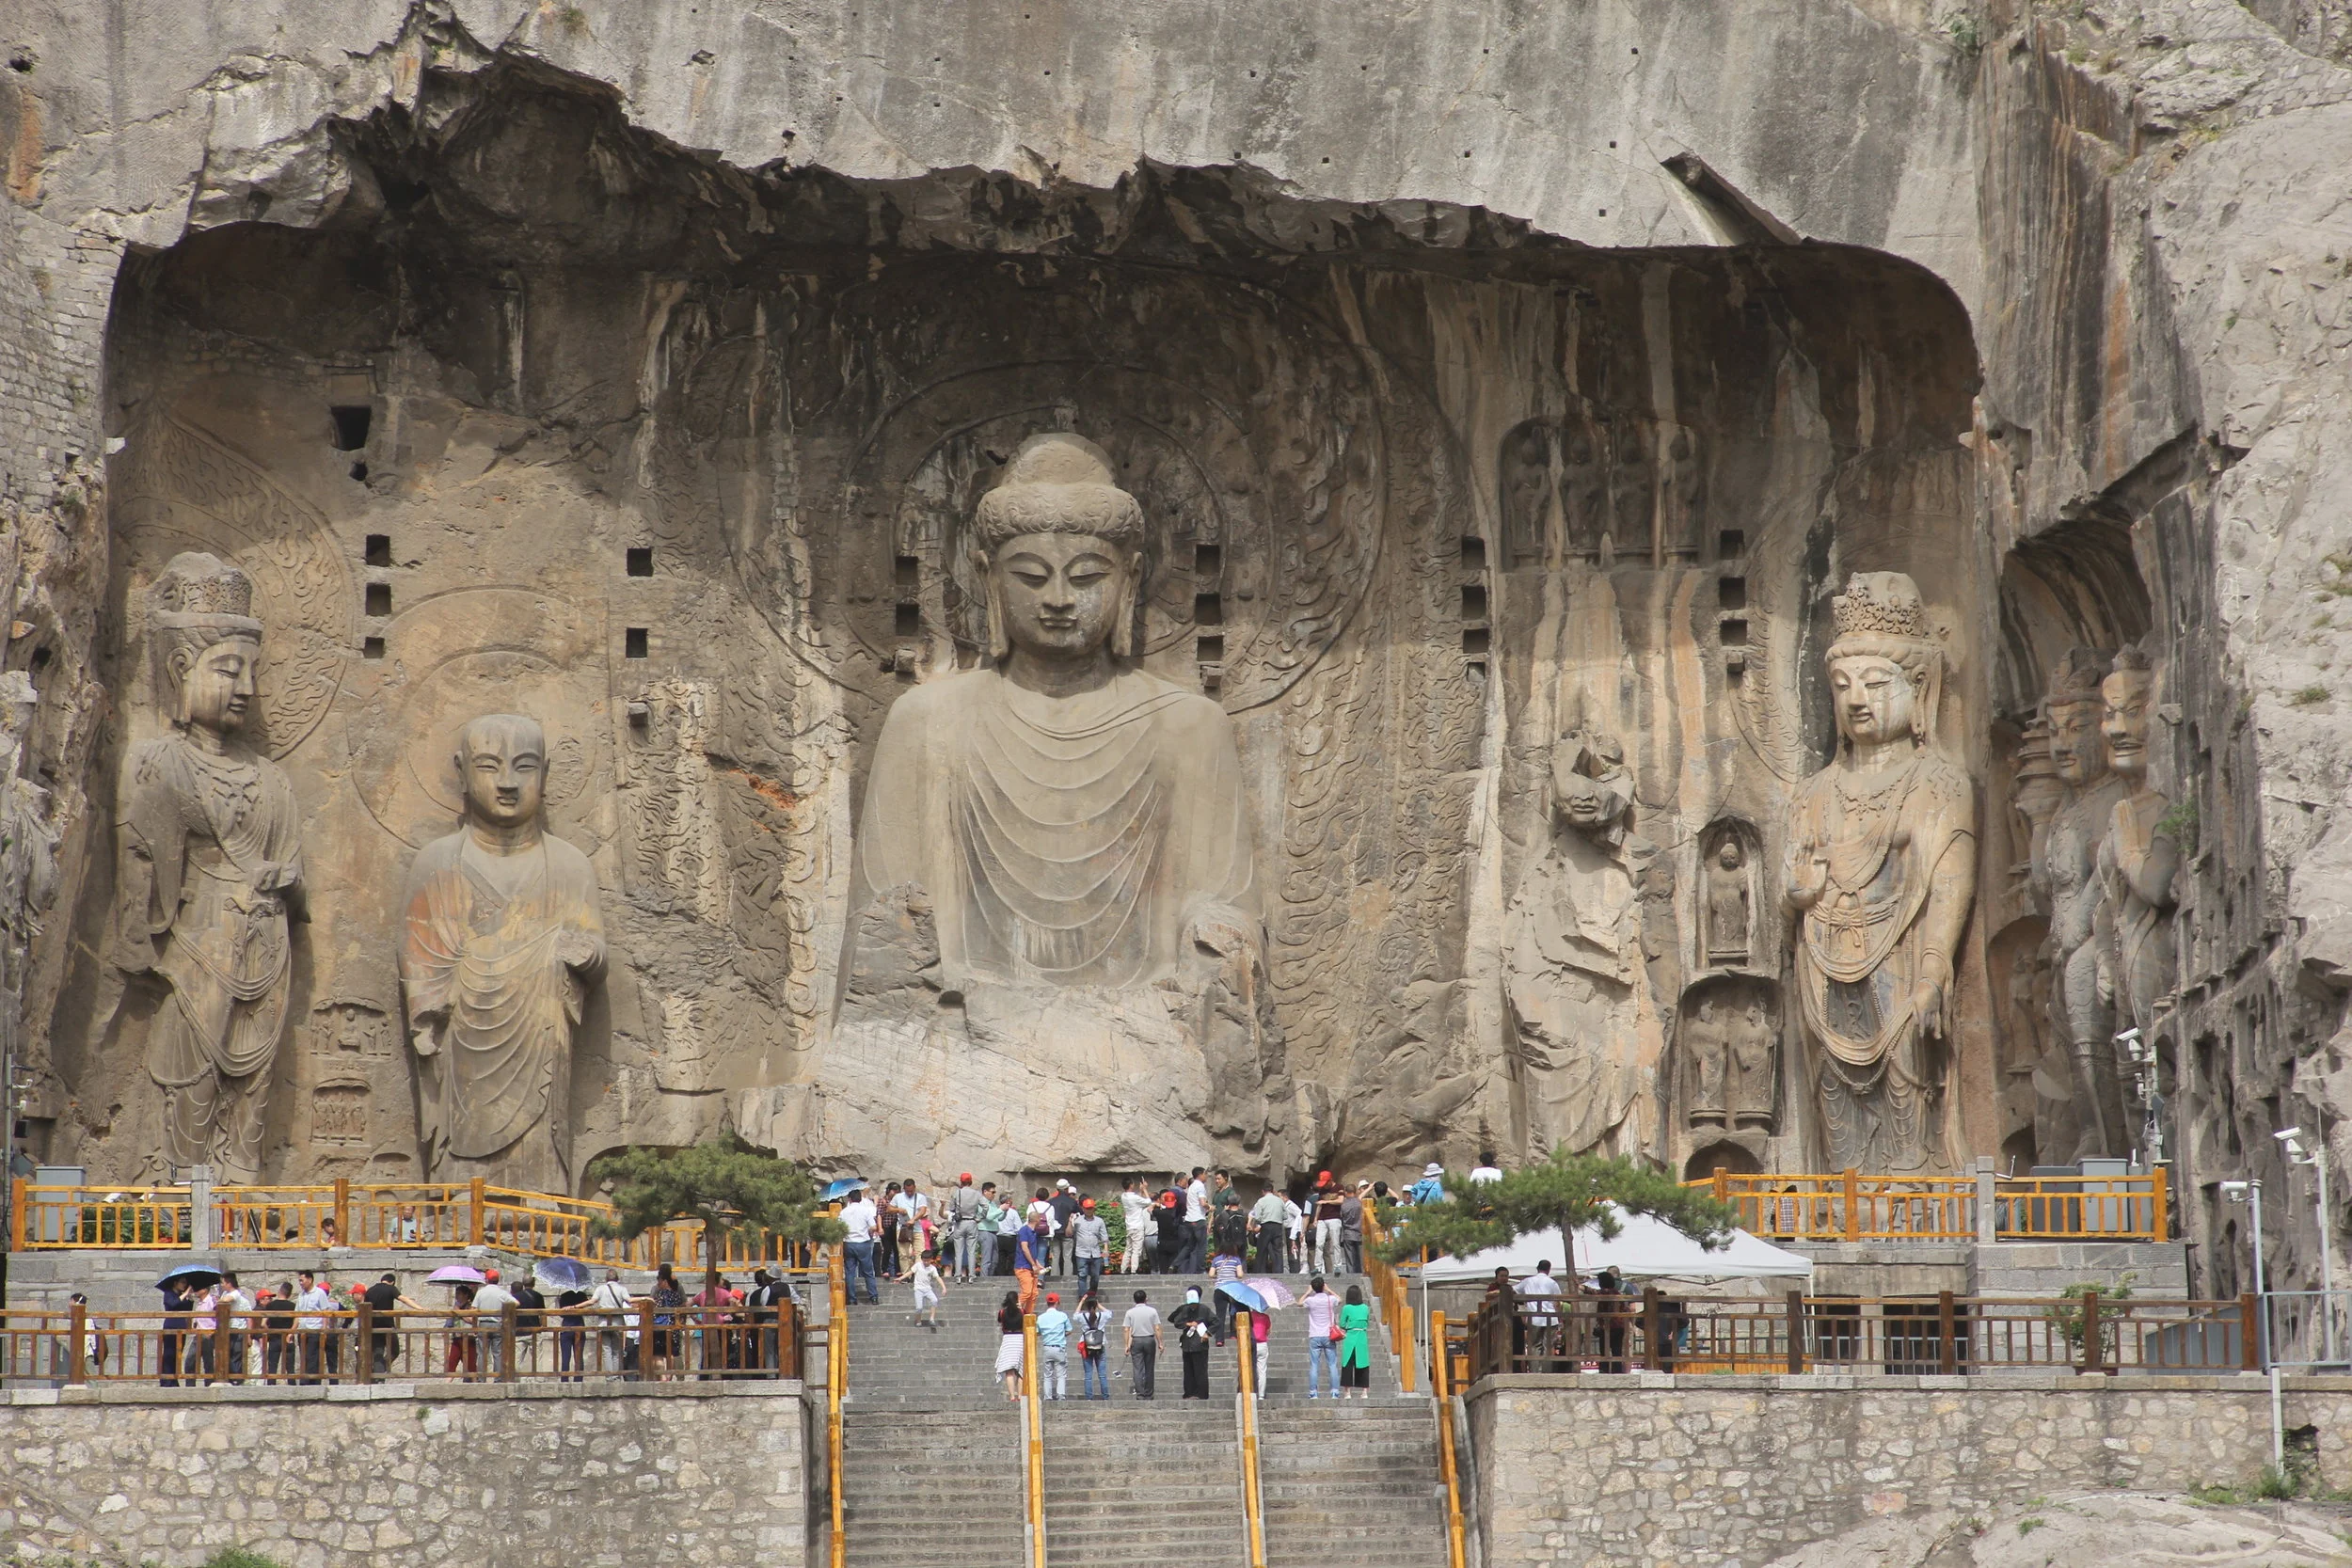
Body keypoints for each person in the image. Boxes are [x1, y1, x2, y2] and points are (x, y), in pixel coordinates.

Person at [362, 1272, 417, 1377]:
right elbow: (403, 1299)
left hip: (373, 1327)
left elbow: (364, 1307)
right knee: (394, 1351)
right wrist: (419, 1308)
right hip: (388, 1326)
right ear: (392, 1282)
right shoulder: (390, 1288)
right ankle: (381, 1371)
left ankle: (378, 1377)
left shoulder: (370, 1290)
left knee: (378, 1353)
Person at [1517, 1259, 1565, 1371]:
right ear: (1549, 1270)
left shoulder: (1527, 1281)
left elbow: (1514, 1290)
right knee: (1549, 1346)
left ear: (1537, 1269)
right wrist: (1559, 1318)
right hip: (1550, 1318)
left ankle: (1534, 1371)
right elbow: (1557, 1302)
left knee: (1534, 1345)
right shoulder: (1552, 1283)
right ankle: (1547, 1371)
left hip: (1534, 1318)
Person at [1169, 1286, 1215, 1401]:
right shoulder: (1184, 1309)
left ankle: (1201, 1394)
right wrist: (1187, 1324)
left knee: (1200, 1370)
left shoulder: (1204, 1309)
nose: (1193, 1306)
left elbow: (1216, 1322)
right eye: (1191, 1304)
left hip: (1200, 1344)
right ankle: (1189, 1393)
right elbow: (1175, 1320)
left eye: (1195, 1304)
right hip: (1187, 1343)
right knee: (1188, 1370)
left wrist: (1207, 1333)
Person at [839, 1187, 882, 1305]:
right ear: (860, 1199)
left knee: (850, 1272)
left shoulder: (844, 1212)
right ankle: (873, 1296)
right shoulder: (865, 1211)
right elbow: (873, 1227)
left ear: (850, 1199)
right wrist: (869, 1232)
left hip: (849, 1243)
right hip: (863, 1243)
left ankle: (852, 1298)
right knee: (868, 1271)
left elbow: (839, 1227)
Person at [473, 1268, 518, 1378]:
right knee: (497, 1353)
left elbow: (473, 1309)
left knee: (482, 1354)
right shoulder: (502, 1293)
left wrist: (474, 1326)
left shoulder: (481, 1292)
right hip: (497, 1324)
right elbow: (516, 1303)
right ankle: (498, 1378)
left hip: (483, 1324)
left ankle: (481, 1378)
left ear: (486, 1280)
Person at [1302, 1275, 1342, 1399]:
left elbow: (1299, 1302)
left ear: (1313, 1288)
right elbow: (1340, 1299)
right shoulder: (1330, 1299)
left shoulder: (1310, 1300)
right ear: (1323, 1286)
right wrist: (1329, 1290)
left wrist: (1308, 1292)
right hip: (1329, 1335)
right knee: (1332, 1364)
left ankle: (1313, 1392)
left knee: (1314, 1365)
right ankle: (1335, 1391)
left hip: (1315, 1335)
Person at [295, 1270, 337, 1384]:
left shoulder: (319, 1293)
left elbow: (325, 1312)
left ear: (309, 1280)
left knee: (313, 1357)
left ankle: (312, 1382)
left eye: (302, 1280)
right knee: (304, 1357)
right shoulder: (301, 1295)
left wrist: (324, 1330)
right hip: (302, 1330)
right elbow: (297, 1314)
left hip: (314, 1330)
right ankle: (305, 1381)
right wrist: (292, 1331)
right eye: (299, 1281)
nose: (300, 1283)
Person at [590, 1268, 633, 1378]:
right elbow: (630, 1300)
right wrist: (645, 1298)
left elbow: (592, 1301)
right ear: (617, 1278)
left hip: (604, 1322)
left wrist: (575, 1306)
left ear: (606, 1278)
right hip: (617, 1322)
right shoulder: (622, 1289)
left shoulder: (600, 1289)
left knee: (607, 1350)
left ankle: (609, 1376)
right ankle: (616, 1375)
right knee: (617, 1351)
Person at [649, 1263, 687, 1380]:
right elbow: (684, 1304)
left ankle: (663, 1377)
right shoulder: (677, 1291)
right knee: (673, 1353)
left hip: (660, 1327)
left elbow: (653, 1308)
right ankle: (673, 1377)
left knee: (658, 1354)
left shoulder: (658, 1292)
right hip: (674, 1326)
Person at [1122, 1289, 1161, 1400]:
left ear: (1134, 1300)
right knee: (1149, 1368)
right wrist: (1160, 1343)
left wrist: (1126, 1345)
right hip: (1149, 1339)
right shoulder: (1152, 1311)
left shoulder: (1130, 1312)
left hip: (1136, 1340)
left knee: (1137, 1368)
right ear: (1145, 1299)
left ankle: (1140, 1394)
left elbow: (1126, 1329)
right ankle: (1149, 1393)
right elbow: (1157, 1328)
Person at [1338, 1284, 1373, 1399]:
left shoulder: (1347, 1308)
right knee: (1363, 1363)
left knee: (1347, 1363)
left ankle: (1347, 1392)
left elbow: (1342, 1324)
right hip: (1362, 1337)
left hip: (1350, 1337)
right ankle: (1364, 1392)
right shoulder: (1365, 1308)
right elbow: (1367, 1322)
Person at [1035, 1291, 1072, 1400]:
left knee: (1047, 1374)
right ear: (1057, 1302)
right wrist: (1060, 1334)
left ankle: (1048, 1396)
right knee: (1061, 1374)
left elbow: (1037, 1332)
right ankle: (1061, 1395)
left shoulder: (1041, 1317)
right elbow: (1069, 1330)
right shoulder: (1062, 1316)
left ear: (1047, 1303)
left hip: (1047, 1347)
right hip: (1059, 1347)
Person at [1076, 1291, 1112, 1401]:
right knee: (1102, 1374)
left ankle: (1089, 1397)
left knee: (1088, 1374)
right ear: (1096, 1305)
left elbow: (1075, 1316)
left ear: (1086, 1306)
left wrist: (1081, 1301)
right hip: (1100, 1345)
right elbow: (1109, 1313)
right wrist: (1098, 1304)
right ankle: (1105, 1396)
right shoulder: (1102, 1316)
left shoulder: (1082, 1316)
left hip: (1087, 1346)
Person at [949, 1173, 985, 1283]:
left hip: (960, 1223)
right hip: (972, 1222)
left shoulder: (957, 1193)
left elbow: (951, 1208)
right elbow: (986, 1206)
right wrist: (980, 1217)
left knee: (958, 1251)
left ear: (961, 1182)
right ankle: (972, 1275)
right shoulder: (976, 1194)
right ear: (971, 1182)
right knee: (971, 1251)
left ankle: (958, 1275)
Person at [1071, 1198, 1108, 1301]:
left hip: (1095, 1252)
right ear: (1083, 1208)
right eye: (1087, 1208)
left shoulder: (1099, 1221)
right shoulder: (1077, 1221)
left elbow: (1104, 1236)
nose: (1088, 1210)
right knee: (1082, 1275)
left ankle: (1092, 1293)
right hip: (1081, 1252)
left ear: (1094, 1209)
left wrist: (1105, 1249)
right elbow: (1071, 1233)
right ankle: (1083, 1296)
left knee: (1095, 1275)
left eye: (1090, 1208)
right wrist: (1070, 1221)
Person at [554, 1280, 592, 1382]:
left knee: (565, 1356)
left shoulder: (564, 1296)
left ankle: (564, 1379)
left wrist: (558, 1301)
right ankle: (578, 1379)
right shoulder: (582, 1295)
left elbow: (561, 1314)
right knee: (579, 1356)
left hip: (567, 1326)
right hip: (579, 1325)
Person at [444, 1282, 482, 1379]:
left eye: (459, 1293)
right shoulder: (456, 1306)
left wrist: (459, 1312)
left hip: (468, 1337)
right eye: (456, 1293)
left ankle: (475, 1382)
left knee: (470, 1363)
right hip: (457, 1336)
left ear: (466, 1295)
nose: (457, 1296)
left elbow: (472, 1320)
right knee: (452, 1360)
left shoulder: (471, 1306)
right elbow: (451, 1320)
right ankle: (448, 1381)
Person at [259, 1282, 294, 1383]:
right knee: (290, 1367)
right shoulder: (293, 1306)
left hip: (274, 1338)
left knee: (272, 1366)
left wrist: (270, 1331)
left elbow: (263, 1324)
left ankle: (271, 1386)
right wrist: (291, 1332)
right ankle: (293, 1386)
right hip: (288, 1337)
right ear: (289, 1294)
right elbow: (297, 1322)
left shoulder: (270, 1305)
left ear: (280, 1291)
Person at [1209, 1249, 1247, 1345]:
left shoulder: (1216, 1259)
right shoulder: (1236, 1259)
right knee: (1233, 1311)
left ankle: (1219, 1339)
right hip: (1232, 1289)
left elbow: (1211, 1274)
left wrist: (1218, 1275)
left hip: (1220, 1289)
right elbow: (1240, 1275)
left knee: (1220, 1315)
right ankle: (1233, 1334)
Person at [993, 1291, 1026, 1402]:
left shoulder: (1002, 1312)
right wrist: (1020, 1307)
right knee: (1021, 1370)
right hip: (1019, 1339)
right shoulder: (1022, 1312)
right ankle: (1020, 1396)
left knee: (1009, 1371)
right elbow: (1026, 1319)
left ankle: (1012, 1396)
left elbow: (1000, 1320)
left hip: (1008, 1340)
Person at [1311, 1174, 1345, 1276]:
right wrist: (1316, 1218)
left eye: (1326, 1183)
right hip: (1322, 1219)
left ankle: (1337, 1266)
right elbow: (1319, 1205)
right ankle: (1317, 1267)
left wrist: (1326, 1202)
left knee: (1335, 1243)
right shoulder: (1322, 1190)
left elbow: (1340, 1200)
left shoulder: (1339, 1187)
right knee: (1319, 1243)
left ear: (1330, 1180)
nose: (1325, 1186)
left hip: (1334, 1217)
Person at [158, 1280, 191, 1387]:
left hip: (181, 1327)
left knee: (178, 1354)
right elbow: (173, 1304)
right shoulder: (168, 1294)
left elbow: (187, 1310)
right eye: (182, 1282)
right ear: (175, 1283)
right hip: (171, 1327)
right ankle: (166, 1380)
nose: (184, 1285)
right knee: (169, 1354)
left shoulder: (182, 1295)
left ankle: (174, 1380)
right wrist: (185, 1294)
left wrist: (189, 1299)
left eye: (185, 1283)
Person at [1248, 1184, 1287, 1275]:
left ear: (1263, 1191)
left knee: (1262, 1249)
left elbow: (1257, 1217)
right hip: (1278, 1226)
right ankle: (1278, 1271)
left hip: (1266, 1226)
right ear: (1273, 1191)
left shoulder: (1261, 1201)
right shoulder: (1280, 1201)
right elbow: (1285, 1216)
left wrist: (1263, 1220)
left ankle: (1260, 1271)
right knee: (1277, 1250)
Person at [1014, 1211, 1046, 1315]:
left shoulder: (1034, 1233)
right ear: (1036, 1219)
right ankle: (1013, 1311)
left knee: (1033, 1294)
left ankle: (1028, 1315)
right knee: (1027, 1292)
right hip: (1023, 1267)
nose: (1041, 1221)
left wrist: (1037, 1264)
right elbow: (1024, 1248)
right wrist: (1033, 1264)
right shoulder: (1024, 1231)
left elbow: (1031, 1251)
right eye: (1040, 1219)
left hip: (1031, 1267)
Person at [1119, 1179, 1152, 1275]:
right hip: (1137, 1227)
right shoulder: (1134, 1198)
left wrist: (1141, 1191)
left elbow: (1138, 1202)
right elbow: (1148, 1202)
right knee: (1136, 1250)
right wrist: (1145, 1189)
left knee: (1128, 1249)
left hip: (1129, 1226)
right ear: (1131, 1185)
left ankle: (1123, 1269)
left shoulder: (1123, 1196)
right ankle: (1134, 1270)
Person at [1049, 1180, 1080, 1278]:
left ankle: (1054, 1277)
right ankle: (1068, 1278)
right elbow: (1079, 1214)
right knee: (1067, 1257)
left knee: (1055, 1256)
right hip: (1068, 1231)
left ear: (1057, 1189)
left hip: (1054, 1232)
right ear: (1067, 1189)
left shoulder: (1051, 1202)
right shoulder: (1072, 1202)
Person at [1182, 1168, 1211, 1274]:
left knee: (1190, 1246)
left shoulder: (1191, 1186)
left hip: (1189, 1220)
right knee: (1202, 1246)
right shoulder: (1200, 1186)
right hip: (1198, 1219)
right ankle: (1201, 1269)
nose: (1206, 1176)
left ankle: (1177, 1265)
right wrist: (1210, 1207)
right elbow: (1203, 1203)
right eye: (1205, 1174)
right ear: (1201, 1175)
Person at [908, 1249, 945, 1332]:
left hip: (928, 1289)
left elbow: (938, 1278)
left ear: (931, 1259)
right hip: (918, 1289)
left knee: (934, 1300)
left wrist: (944, 1287)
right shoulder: (918, 1265)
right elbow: (910, 1272)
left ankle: (932, 1319)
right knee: (919, 1307)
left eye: (928, 1261)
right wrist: (900, 1278)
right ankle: (918, 1320)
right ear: (922, 1259)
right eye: (924, 1261)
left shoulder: (932, 1268)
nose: (926, 1262)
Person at [977, 1181, 1008, 1276]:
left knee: (994, 1259)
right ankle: (984, 1279)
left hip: (994, 1232)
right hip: (985, 1231)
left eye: (995, 1192)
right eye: (992, 1192)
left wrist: (1005, 1211)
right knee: (986, 1259)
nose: (994, 1194)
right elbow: (989, 1217)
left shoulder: (993, 1203)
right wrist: (1000, 1209)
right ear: (985, 1192)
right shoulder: (981, 1203)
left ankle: (989, 1277)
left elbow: (999, 1218)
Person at [1152, 1190, 1184, 1275]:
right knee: (1174, 1270)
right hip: (1175, 1243)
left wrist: (1156, 1204)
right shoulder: (1178, 1214)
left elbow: (1149, 1209)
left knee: (1163, 1269)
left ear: (1165, 1201)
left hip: (1162, 1242)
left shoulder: (1159, 1212)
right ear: (1175, 1201)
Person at [1340, 1182, 1367, 1274]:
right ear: (1355, 1192)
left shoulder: (1344, 1205)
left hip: (1348, 1233)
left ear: (1346, 1192)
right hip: (1359, 1232)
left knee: (1350, 1260)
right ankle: (1362, 1274)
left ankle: (1351, 1277)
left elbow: (1342, 1217)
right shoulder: (1360, 1203)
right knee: (1361, 1258)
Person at [1282, 1189, 1307, 1274]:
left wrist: (1297, 1228)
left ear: (1285, 1197)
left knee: (1294, 1251)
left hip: (1292, 1229)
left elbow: (1299, 1214)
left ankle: (1296, 1270)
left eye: (1280, 1197)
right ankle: (1292, 1269)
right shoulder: (1285, 1206)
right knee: (1290, 1251)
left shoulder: (1291, 1205)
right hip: (1288, 1229)